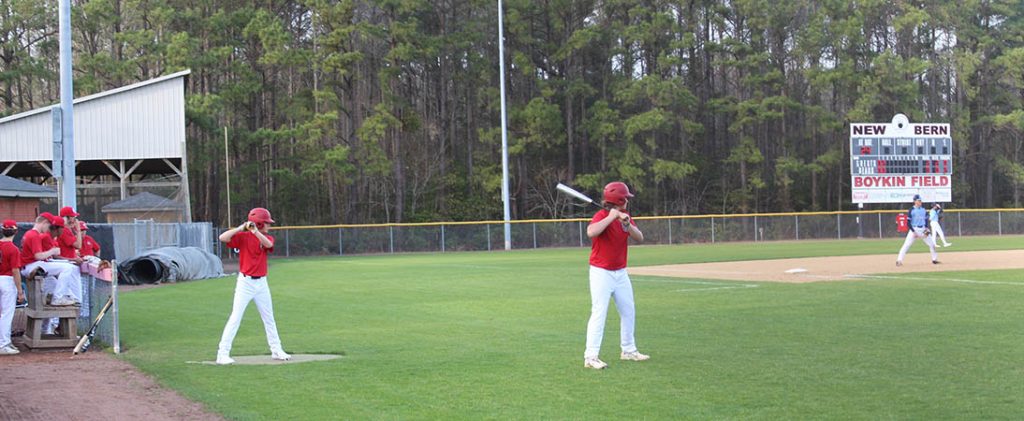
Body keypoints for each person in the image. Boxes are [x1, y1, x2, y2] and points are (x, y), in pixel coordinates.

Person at [583, 181, 649, 370]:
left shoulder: (625, 217)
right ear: (618, 199)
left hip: (620, 272)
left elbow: (640, 238)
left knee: (629, 311)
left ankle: (628, 350)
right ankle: (591, 356)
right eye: (625, 198)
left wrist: (628, 225)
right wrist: (611, 217)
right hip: (601, 272)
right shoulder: (601, 215)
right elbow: (591, 232)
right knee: (599, 312)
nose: (627, 201)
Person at [216, 207, 290, 365]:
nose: (269, 226)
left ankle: (276, 350)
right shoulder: (242, 237)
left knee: (269, 318)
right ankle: (222, 353)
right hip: (245, 283)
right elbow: (222, 237)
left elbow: (268, 244)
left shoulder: (266, 237)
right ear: (259, 223)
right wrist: (241, 228)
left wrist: (256, 231)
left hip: (262, 283)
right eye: (266, 223)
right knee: (236, 317)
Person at [20, 214, 83, 334]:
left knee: (55, 281)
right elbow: (38, 256)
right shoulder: (34, 234)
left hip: (31, 265)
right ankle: (58, 298)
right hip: (32, 265)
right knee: (68, 268)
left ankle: (46, 328)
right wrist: (52, 251)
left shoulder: (32, 234)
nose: (49, 228)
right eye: (49, 224)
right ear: (44, 222)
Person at [0, 220, 25, 355]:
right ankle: (3, 344)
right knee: (6, 314)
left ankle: (5, 342)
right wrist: (20, 292)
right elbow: (15, 270)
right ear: (15, 232)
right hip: (6, 280)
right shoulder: (13, 249)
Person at [896, 195, 939, 266]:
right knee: (906, 245)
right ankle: (899, 260)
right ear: (915, 201)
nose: (920, 202)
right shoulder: (911, 210)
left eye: (920, 201)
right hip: (914, 229)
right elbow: (908, 222)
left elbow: (925, 220)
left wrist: (926, 228)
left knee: (932, 244)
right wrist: (913, 232)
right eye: (918, 201)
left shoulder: (923, 210)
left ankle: (934, 259)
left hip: (923, 229)